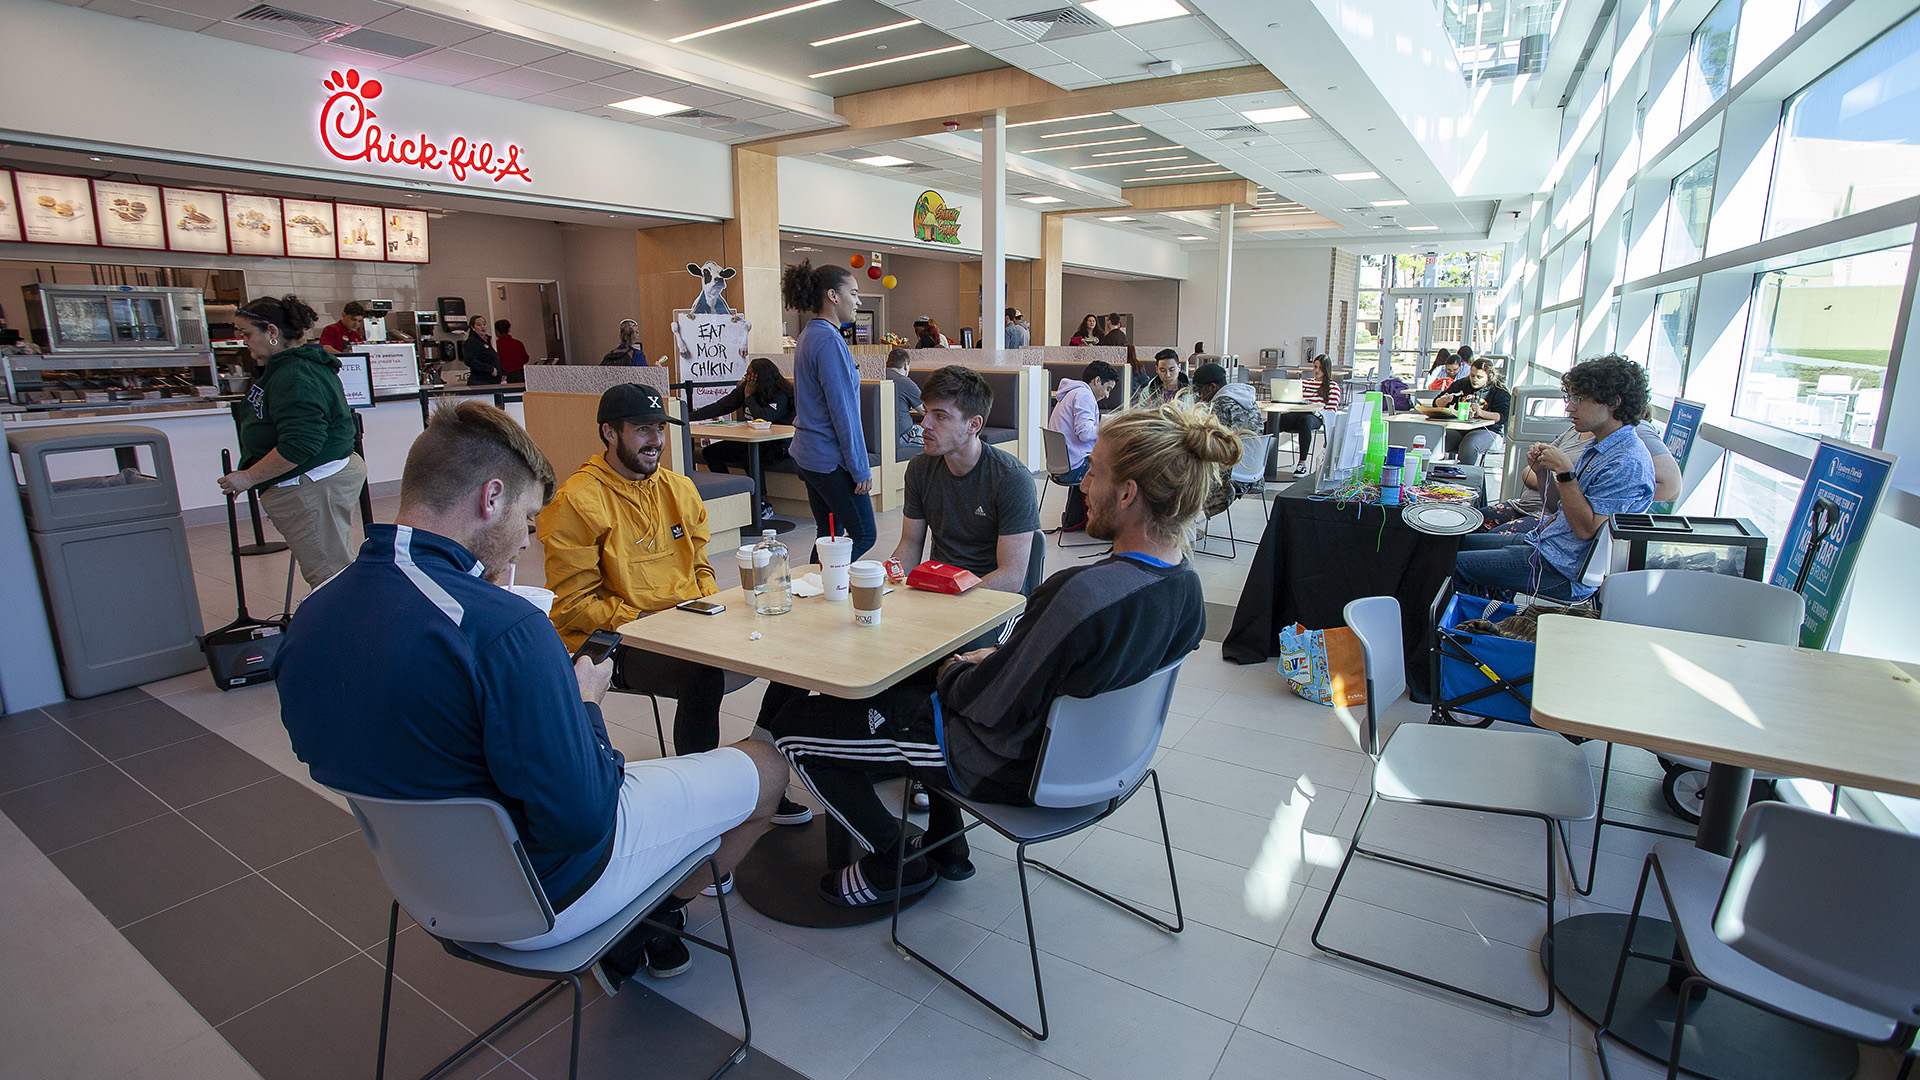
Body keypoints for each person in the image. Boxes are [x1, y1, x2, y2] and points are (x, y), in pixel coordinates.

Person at [273, 400, 789, 989]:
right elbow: (583, 820)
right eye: (525, 522)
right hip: (550, 894)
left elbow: (326, 752)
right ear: (491, 498)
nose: (525, 546)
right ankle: (647, 920)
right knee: (766, 769)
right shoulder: (504, 629)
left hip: (424, 889)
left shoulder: (311, 616)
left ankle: (643, 917)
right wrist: (586, 703)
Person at [763, 403, 1227, 907]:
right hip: (1105, 764)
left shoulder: (1083, 596)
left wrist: (953, 671)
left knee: (795, 725)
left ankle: (893, 858)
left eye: (1092, 472)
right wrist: (994, 663)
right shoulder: (1185, 589)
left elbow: (987, 706)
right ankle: (949, 847)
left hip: (1002, 764)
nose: (1083, 487)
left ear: (1128, 492)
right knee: (909, 681)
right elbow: (1071, 674)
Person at [539, 383, 813, 842]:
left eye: (660, 429)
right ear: (609, 432)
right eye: (642, 430)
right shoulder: (576, 502)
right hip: (616, 641)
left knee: (796, 652)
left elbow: (701, 568)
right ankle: (702, 816)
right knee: (701, 676)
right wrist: (656, 621)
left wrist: (708, 610)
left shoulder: (678, 488)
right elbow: (573, 606)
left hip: (689, 620)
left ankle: (759, 771)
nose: (656, 440)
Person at [1453, 355, 1655, 602]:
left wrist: (1566, 473)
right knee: (1451, 546)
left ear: (1613, 402)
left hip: (1562, 569)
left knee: (1449, 566)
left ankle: (1463, 630)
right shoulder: (1601, 446)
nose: (1569, 407)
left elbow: (1585, 529)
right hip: (1545, 543)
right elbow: (1555, 507)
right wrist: (1542, 472)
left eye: (1578, 399)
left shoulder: (1627, 462)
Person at [216, 294, 367, 587]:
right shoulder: (292, 367)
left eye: (247, 334)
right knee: (331, 569)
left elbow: (300, 444)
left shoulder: (296, 375)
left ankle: (347, 629)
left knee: (330, 578)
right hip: (313, 481)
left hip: (312, 484)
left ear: (272, 332)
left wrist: (247, 478)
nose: (243, 342)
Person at [891, 364, 1040, 615]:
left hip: (993, 604)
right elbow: (910, 544)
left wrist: (951, 602)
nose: (924, 424)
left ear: (973, 424)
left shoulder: (1011, 478)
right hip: (938, 594)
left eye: (940, 416)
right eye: (926, 412)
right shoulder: (920, 468)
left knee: (955, 654)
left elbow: (1011, 577)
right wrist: (884, 577)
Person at [784, 259, 876, 561]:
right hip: (827, 458)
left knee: (828, 535)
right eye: (854, 292)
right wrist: (860, 467)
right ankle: (821, 584)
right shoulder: (828, 340)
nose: (859, 301)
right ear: (833, 297)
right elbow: (843, 412)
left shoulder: (810, 335)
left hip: (809, 454)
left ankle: (813, 591)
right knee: (864, 534)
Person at [1479, 416, 1681, 532]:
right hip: (1530, 507)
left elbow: (1671, 488)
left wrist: (1575, 488)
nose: (1570, 408)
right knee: (1471, 526)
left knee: (1476, 551)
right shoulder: (1579, 430)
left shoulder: (1635, 434)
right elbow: (1529, 473)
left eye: (1580, 398)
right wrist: (1551, 477)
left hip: (1552, 521)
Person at [689, 357, 795, 491]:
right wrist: (688, 418)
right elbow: (721, 406)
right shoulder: (746, 389)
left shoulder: (780, 393)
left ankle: (762, 502)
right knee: (711, 452)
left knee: (750, 457)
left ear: (761, 377)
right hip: (751, 441)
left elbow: (763, 417)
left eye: (750, 374)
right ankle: (728, 491)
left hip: (777, 444)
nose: (746, 377)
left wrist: (749, 397)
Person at [1048, 360, 1120, 532]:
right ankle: (1107, 525)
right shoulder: (1084, 395)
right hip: (1074, 467)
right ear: (1097, 380)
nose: (1107, 395)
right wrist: (1110, 427)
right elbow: (1085, 433)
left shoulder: (1070, 393)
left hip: (1060, 466)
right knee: (1119, 469)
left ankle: (1078, 517)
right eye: (1107, 388)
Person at [1192, 362, 1262, 518]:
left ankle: (1186, 528)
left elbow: (1211, 444)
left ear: (1212, 387)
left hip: (1231, 473)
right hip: (1253, 470)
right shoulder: (1250, 401)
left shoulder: (1220, 405)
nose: (1200, 397)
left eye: (1200, 391)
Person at [1273, 353, 1342, 476]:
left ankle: (1302, 463)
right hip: (1298, 413)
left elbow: (1331, 412)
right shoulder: (1304, 383)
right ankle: (1263, 460)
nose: (1317, 370)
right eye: (1315, 367)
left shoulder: (1332, 387)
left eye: (1320, 368)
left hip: (1316, 417)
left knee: (1305, 421)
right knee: (1273, 422)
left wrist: (1315, 411)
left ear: (1326, 369)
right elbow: (1294, 399)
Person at [1434, 357, 1510, 464]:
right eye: (1472, 375)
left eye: (1479, 377)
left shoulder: (1499, 392)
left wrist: (1481, 413)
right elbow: (1436, 403)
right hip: (1460, 429)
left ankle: (1465, 476)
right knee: (1436, 439)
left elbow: (1502, 417)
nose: (1474, 380)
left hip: (1490, 431)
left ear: (1490, 376)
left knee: (1469, 443)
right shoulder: (1462, 384)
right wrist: (1444, 401)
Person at [884, 347, 924, 446]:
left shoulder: (877, 378)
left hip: (881, 438)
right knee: (940, 440)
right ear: (906, 365)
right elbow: (924, 411)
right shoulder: (905, 382)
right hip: (903, 437)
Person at [460, 315, 503, 385]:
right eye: (479, 325)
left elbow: (493, 359)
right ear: (473, 327)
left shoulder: (486, 341)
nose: (482, 327)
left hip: (492, 381)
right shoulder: (471, 342)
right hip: (481, 381)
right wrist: (489, 369)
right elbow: (469, 360)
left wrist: (501, 372)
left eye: (484, 324)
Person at [493, 319, 530, 383]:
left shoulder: (495, 345)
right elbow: (526, 359)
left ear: (496, 331)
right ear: (509, 329)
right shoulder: (518, 343)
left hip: (505, 375)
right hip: (520, 374)